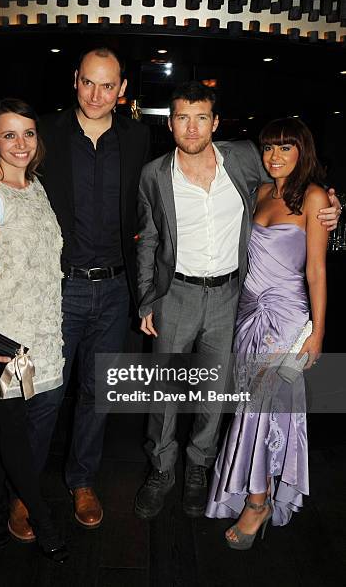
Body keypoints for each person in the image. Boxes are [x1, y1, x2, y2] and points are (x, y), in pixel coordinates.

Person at [0, 47, 151, 534]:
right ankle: (25, 491)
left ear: (122, 90)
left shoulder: (139, 136)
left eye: (108, 85)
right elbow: (4, 165)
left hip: (115, 289)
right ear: (74, 80)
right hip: (59, 289)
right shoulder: (45, 131)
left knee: (98, 393)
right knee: (44, 396)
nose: (96, 94)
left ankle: (82, 480)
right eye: (88, 82)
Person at [134, 81, 339, 521]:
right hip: (176, 294)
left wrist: (332, 204)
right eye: (183, 118)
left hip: (232, 294)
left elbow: (296, 182)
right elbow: (148, 239)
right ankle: (161, 470)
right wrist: (146, 298)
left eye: (201, 117)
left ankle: (197, 468)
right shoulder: (153, 174)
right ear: (170, 123)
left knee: (214, 388)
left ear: (215, 122)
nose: (192, 127)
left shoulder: (245, 158)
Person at [205, 117, 328, 549]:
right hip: (248, 314)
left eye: (285, 148)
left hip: (287, 318)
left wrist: (317, 333)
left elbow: (316, 270)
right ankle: (263, 489)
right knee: (251, 409)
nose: (274, 156)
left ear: (302, 152)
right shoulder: (258, 192)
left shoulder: (314, 198)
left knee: (261, 408)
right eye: (269, 148)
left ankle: (256, 501)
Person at [0, 98, 68, 562]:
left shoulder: (37, 187)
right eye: (8, 134)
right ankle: (42, 519)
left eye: (27, 133)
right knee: (14, 430)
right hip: (0, 332)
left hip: (39, 327)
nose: (20, 144)